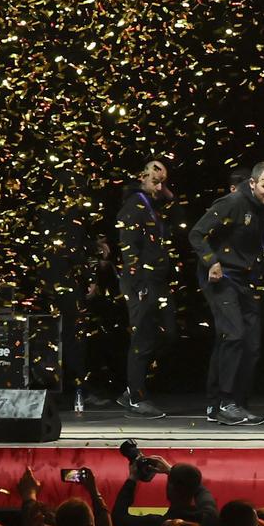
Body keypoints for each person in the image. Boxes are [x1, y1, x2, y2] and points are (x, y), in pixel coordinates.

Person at [187, 161, 264, 426]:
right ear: (254, 183)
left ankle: (230, 403)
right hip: (221, 277)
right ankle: (224, 402)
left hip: (247, 279)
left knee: (251, 344)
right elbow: (197, 234)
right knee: (233, 334)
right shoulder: (233, 202)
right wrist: (211, 261)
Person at [112, 158, 175, 417]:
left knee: (167, 333)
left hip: (157, 281)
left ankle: (131, 389)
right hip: (141, 282)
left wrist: (163, 186)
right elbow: (128, 248)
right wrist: (137, 284)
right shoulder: (133, 206)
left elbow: (176, 207)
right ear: (141, 176)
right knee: (142, 337)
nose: (159, 188)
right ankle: (135, 396)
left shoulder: (152, 204)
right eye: (154, 181)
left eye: (163, 183)